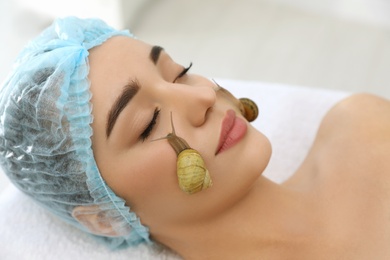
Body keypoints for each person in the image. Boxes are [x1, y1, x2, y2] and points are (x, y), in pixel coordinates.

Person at [1, 16, 390, 259]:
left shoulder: (360, 128)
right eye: (148, 123)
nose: (203, 96)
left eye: (177, 72)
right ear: (106, 219)